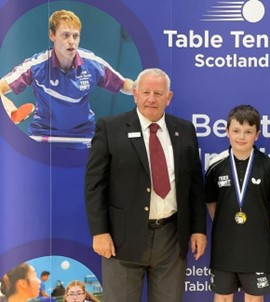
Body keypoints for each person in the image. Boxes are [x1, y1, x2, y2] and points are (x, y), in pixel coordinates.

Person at [84, 68, 207, 302]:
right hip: (122, 240)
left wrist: (198, 229)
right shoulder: (110, 128)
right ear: (135, 94)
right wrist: (99, 232)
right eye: (146, 92)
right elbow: (94, 184)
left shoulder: (185, 130)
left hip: (171, 239)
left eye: (159, 93)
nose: (151, 99)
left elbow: (194, 185)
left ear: (168, 98)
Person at [0, 9, 133, 141]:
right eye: (66, 35)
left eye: (75, 36)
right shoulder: (35, 66)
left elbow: (123, 84)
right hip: (45, 133)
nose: (72, 41)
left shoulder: (93, 64)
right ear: (52, 35)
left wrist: (139, 87)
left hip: (82, 134)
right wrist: (9, 108)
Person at [205, 105, 270, 302]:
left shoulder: (267, 166)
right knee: (222, 297)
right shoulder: (216, 166)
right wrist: (226, 226)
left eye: (248, 132)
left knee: (254, 299)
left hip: (257, 249)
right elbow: (211, 203)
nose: (241, 137)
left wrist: (265, 232)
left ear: (257, 135)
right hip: (225, 247)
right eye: (236, 131)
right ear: (227, 132)